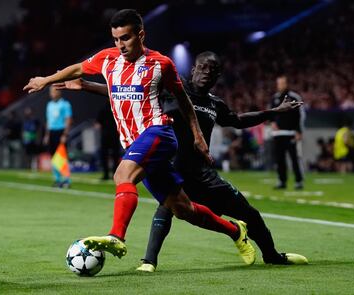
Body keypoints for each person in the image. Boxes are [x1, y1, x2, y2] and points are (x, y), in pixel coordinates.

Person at [24, 9, 256, 266]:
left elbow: (183, 100)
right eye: (115, 39)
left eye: (125, 38)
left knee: (122, 175)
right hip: (135, 142)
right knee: (182, 209)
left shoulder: (161, 64)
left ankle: (116, 236)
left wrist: (197, 134)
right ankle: (236, 232)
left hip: (158, 132)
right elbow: (78, 67)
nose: (120, 44)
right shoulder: (107, 59)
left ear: (141, 34)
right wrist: (46, 80)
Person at [58, 51, 308, 272]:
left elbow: (239, 120)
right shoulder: (172, 89)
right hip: (174, 166)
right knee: (166, 209)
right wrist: (87, 85)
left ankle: (272, 256)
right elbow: (126, 92)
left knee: (250, 214)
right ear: (193, 70)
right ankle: (148, 261)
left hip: (204, 175)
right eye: (202, 68)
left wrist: (274, 112)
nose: (206, 73)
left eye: (212, 70)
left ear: (218, 75)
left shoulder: (214, 104)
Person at [270, 75, 305, 190]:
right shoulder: (274, 98)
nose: (280, 85)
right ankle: (282, 181)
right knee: (279, 159)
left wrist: (299, 131)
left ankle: (299, 181)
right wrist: (272, 122)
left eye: (282, 83)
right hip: (277, 134)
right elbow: (270, 113)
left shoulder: (294, 97)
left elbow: (300, 115)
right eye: (278, 83)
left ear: (286, 84)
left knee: (294, 158)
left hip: (290, 133)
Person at [44, 85, 73, 187]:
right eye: (51, 91)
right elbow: (48, 121)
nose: (52, 93)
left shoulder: (65, 104)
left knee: (62, 156)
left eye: (54, 91)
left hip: (61, 131)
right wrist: (47, 135)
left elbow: (68, 119)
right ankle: (57, 179)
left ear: (59, 92)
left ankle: (66, 180)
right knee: (53, 156)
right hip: (52, 132)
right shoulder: (49, 105)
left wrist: (65, 134)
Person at [95, 100, 121, 180]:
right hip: (115, 135)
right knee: (115, 155)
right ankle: (115, 173)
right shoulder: (117, 110)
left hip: (105, 135)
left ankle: (106, 174)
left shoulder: (103, 110)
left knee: (104, 155)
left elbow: (97, 125)